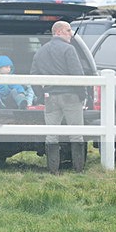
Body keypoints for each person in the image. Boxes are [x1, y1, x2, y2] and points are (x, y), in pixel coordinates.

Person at [30, 20, 86, 174]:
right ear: (59, 32)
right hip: (71, 96)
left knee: (51, 135)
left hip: (51, 98)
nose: (71, 34)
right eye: (68, 30)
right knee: (76, 134)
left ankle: (53, 170)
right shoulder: (69, 50)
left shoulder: (40, 51)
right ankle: (78, 170)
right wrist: (83, 94)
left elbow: (33, 76)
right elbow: (77, 74)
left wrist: (40, 96)